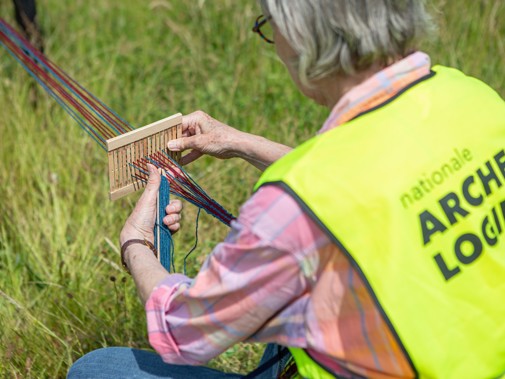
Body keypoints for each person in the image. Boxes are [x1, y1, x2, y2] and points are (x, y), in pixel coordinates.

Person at [68, 0, 505, 378]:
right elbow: (369, 178)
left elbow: (182, 330)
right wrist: (237, 142)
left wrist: (135, 243)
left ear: (300, 37)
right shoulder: (470, 94)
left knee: (96, 370)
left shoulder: (298, 203)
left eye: (268, 25)